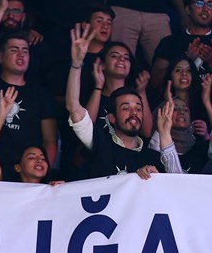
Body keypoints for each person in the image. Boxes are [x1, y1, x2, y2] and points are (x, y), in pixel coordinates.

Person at [66, 23, 180, 179]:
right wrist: (76, 64)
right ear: (111, 118)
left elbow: (178, 184)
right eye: (126, 108)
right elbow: (73, 107)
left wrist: (165, 134)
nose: (134, 113)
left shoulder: (152, 156)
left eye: (138, 108)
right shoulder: (100, 143)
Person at [0, 0, 59, 179]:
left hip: (26, 183)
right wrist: (1, 10)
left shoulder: (40, 94)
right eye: (14, 50)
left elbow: (50, 141)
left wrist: (42, 180)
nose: (21, 54)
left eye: (25, 51)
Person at [152, 0, 212, 92]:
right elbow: (155, 82)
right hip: (176, 101)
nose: (205, 9)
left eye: (210, 4)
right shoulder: (169, 42)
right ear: (187, 9)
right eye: (199, 3)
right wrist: (186, 61)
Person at [0, 86, 56, 184]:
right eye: (31, 157)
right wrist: (1, 115)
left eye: (43, 158)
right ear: (18, 167)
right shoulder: (5, 184)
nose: (39, 160)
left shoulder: (52, 188)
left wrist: (58, 189)